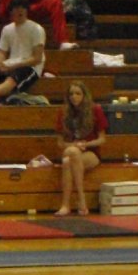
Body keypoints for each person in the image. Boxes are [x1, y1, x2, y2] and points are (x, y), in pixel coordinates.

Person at [0, 0, 45, 105]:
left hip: (30, 67)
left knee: (13, 78)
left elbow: (37, 58)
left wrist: (13, 66)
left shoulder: (36, 29)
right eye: (16, 8)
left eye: (23, 8)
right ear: (11, 12)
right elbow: (2, 52)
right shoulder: (7, 29)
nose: (20, 11)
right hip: (12, 63)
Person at [55, 80, 108, 216]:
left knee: (67, 162)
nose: (74, 97)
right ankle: (81, 200)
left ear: (84, 95)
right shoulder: (64, 112)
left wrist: (86, 144)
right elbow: (60, 143)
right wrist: (74, 145)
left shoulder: (95, 110)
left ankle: (66, 205)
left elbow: (102, 139)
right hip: (71, 149)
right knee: (71, 153)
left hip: (91, 152)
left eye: (78, 93)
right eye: (71, 94)